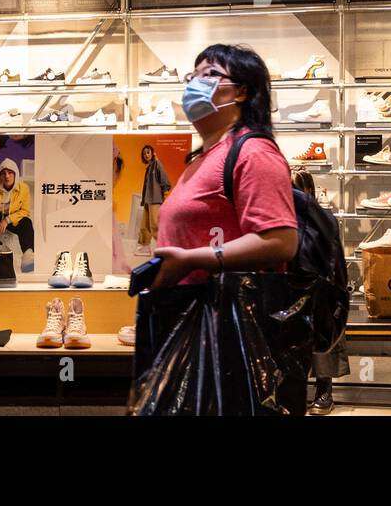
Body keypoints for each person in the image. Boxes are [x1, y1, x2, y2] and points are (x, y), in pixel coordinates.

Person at [134, 44, 302, 412]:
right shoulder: (202, 158)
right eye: (192, 75)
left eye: (210, 74)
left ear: (241, 90)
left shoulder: (254, 153)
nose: (195, 83)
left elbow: (281, 241)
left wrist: (192, 259)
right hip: (191, 319)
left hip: (227, 326)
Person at [295, 168, 349, 415]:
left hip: (318, 286)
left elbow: (335, 256)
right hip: (292, 285)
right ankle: (299, 387)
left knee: (321, 324)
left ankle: (324, 387)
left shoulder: (323, 219)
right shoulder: (281, 218)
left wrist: (337, 286)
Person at [134, 144, 172, 255]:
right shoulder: (149, 167)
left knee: (154, 224)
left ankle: (165, 247)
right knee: (144, 225)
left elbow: (165, 180)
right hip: (147, 200)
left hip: (155, 199)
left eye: (148, 152)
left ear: (152, 153)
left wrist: (165, 196)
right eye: (144, 153)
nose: (146, 155)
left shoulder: (157, 164)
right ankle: (145, 247)